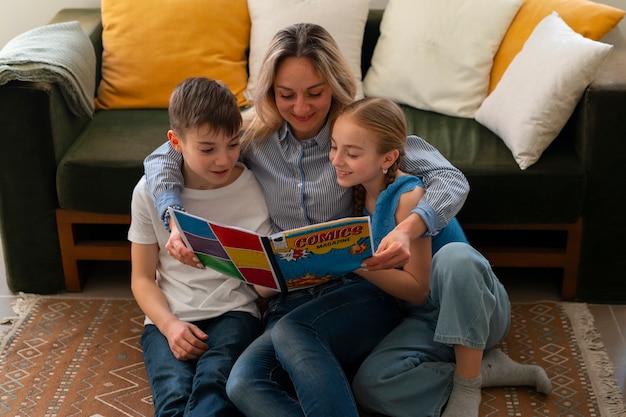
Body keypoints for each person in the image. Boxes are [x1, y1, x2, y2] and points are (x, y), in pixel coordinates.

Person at [143, 23, 470, 417]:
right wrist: (171, 215)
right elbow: (165, 155)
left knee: (293, 334)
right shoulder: (252, 138)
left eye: (315, 93)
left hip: (358, 288)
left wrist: (408, 227)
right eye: (286, 95)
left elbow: (449, 179)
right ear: (269, 93)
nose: (301, 107)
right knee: (243, 383)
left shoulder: (358, 133)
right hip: (289, 296)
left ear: (334, 85)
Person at [329, 96, 552, 417]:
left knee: (454, 256)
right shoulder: (357, 190)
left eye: (351, 153)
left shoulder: (408, 196)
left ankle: (467, 386)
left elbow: (418, 289)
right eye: (334, 147)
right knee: (370, 384)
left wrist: (353, 262)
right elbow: (418, 303)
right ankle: (482, 371)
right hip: (428, 320)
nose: (337, 159)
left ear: (388, 158)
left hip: (477, 309)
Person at [128, 77, 277, 417]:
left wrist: (276, 274)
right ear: (175, 142)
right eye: (207, 149)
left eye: (233, 144)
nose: (223, 160)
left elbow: (261, 285)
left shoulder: (251, 188)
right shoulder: (147, 193)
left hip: (235, 312)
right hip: (169, 316)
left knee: (214, 387)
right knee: (173, 396)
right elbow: (141, 278)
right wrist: (168, 325)